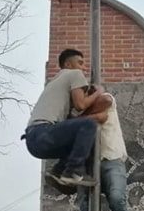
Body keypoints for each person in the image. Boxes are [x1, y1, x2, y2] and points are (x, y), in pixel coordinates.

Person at [24, 48, 114, 188]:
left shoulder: (55, 84)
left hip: (34, 143)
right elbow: (80, 105)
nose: (83, 68)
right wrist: (98, 92)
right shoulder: (74, 74)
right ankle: (72, 171)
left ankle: (59, 172)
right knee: (88, 125)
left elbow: (72, 122)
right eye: (80, 63)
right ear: (68, 64)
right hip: (42, 131)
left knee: (79, 140)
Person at [74, 94, 141, 211]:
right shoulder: (74, 109)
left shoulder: (104, 99)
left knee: (117, 199)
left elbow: (105, 101)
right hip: (88, 165)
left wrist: (81, 119)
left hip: (112, 159)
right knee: (85, 206)